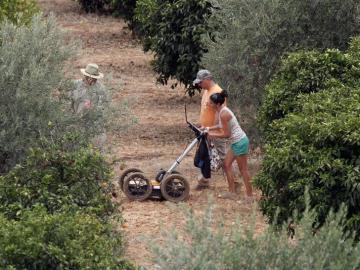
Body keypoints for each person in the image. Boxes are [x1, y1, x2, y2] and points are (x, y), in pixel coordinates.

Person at [205, 90, 254, 201]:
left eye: (211, 103)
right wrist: (208, 129)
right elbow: (221, 125)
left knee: (243, 170)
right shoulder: (221, 111)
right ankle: (232, 192)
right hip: (236, 142)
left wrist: (211, 134)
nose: (209, 104)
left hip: (240, 142)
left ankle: (250, 196)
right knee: (226, 165)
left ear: (217, 104)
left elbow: (226, 134)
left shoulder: (223, 113)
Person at [193, 69, 227, 189]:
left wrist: (212, 130)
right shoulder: (206, 91)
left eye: (201, 82)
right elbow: (206, 110)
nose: (199, 85)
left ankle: (234, 184)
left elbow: (221, 114)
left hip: (215, 133)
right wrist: (201, 124)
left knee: (223, 158)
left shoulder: (217, 92)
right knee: (204, 156)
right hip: (205, 131)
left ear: (208, 79)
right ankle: (204, 182)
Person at [69, 63, 108, 149]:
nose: (91, 80)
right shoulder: (74, 85)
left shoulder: (101, 89)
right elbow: (68, 104)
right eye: (88, 78)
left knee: (95, 150)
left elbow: (104, 108)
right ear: (85, 76)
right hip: (76, 123)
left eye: (94, 79)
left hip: (93, 125)